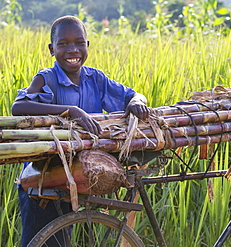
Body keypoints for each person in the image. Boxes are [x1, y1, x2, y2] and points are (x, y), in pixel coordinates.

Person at [12, 15, 150, 246]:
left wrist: (137, 102)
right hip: (44, 176)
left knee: (67, 237)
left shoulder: (95, 79)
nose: (72, 49)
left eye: (78, 42)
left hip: (77, 175)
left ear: (88, 46)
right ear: (51, 49)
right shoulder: (47, 78)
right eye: (63, 44)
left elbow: (133, 95)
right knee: (43, 237)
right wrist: (70, 110)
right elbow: (19, 107)